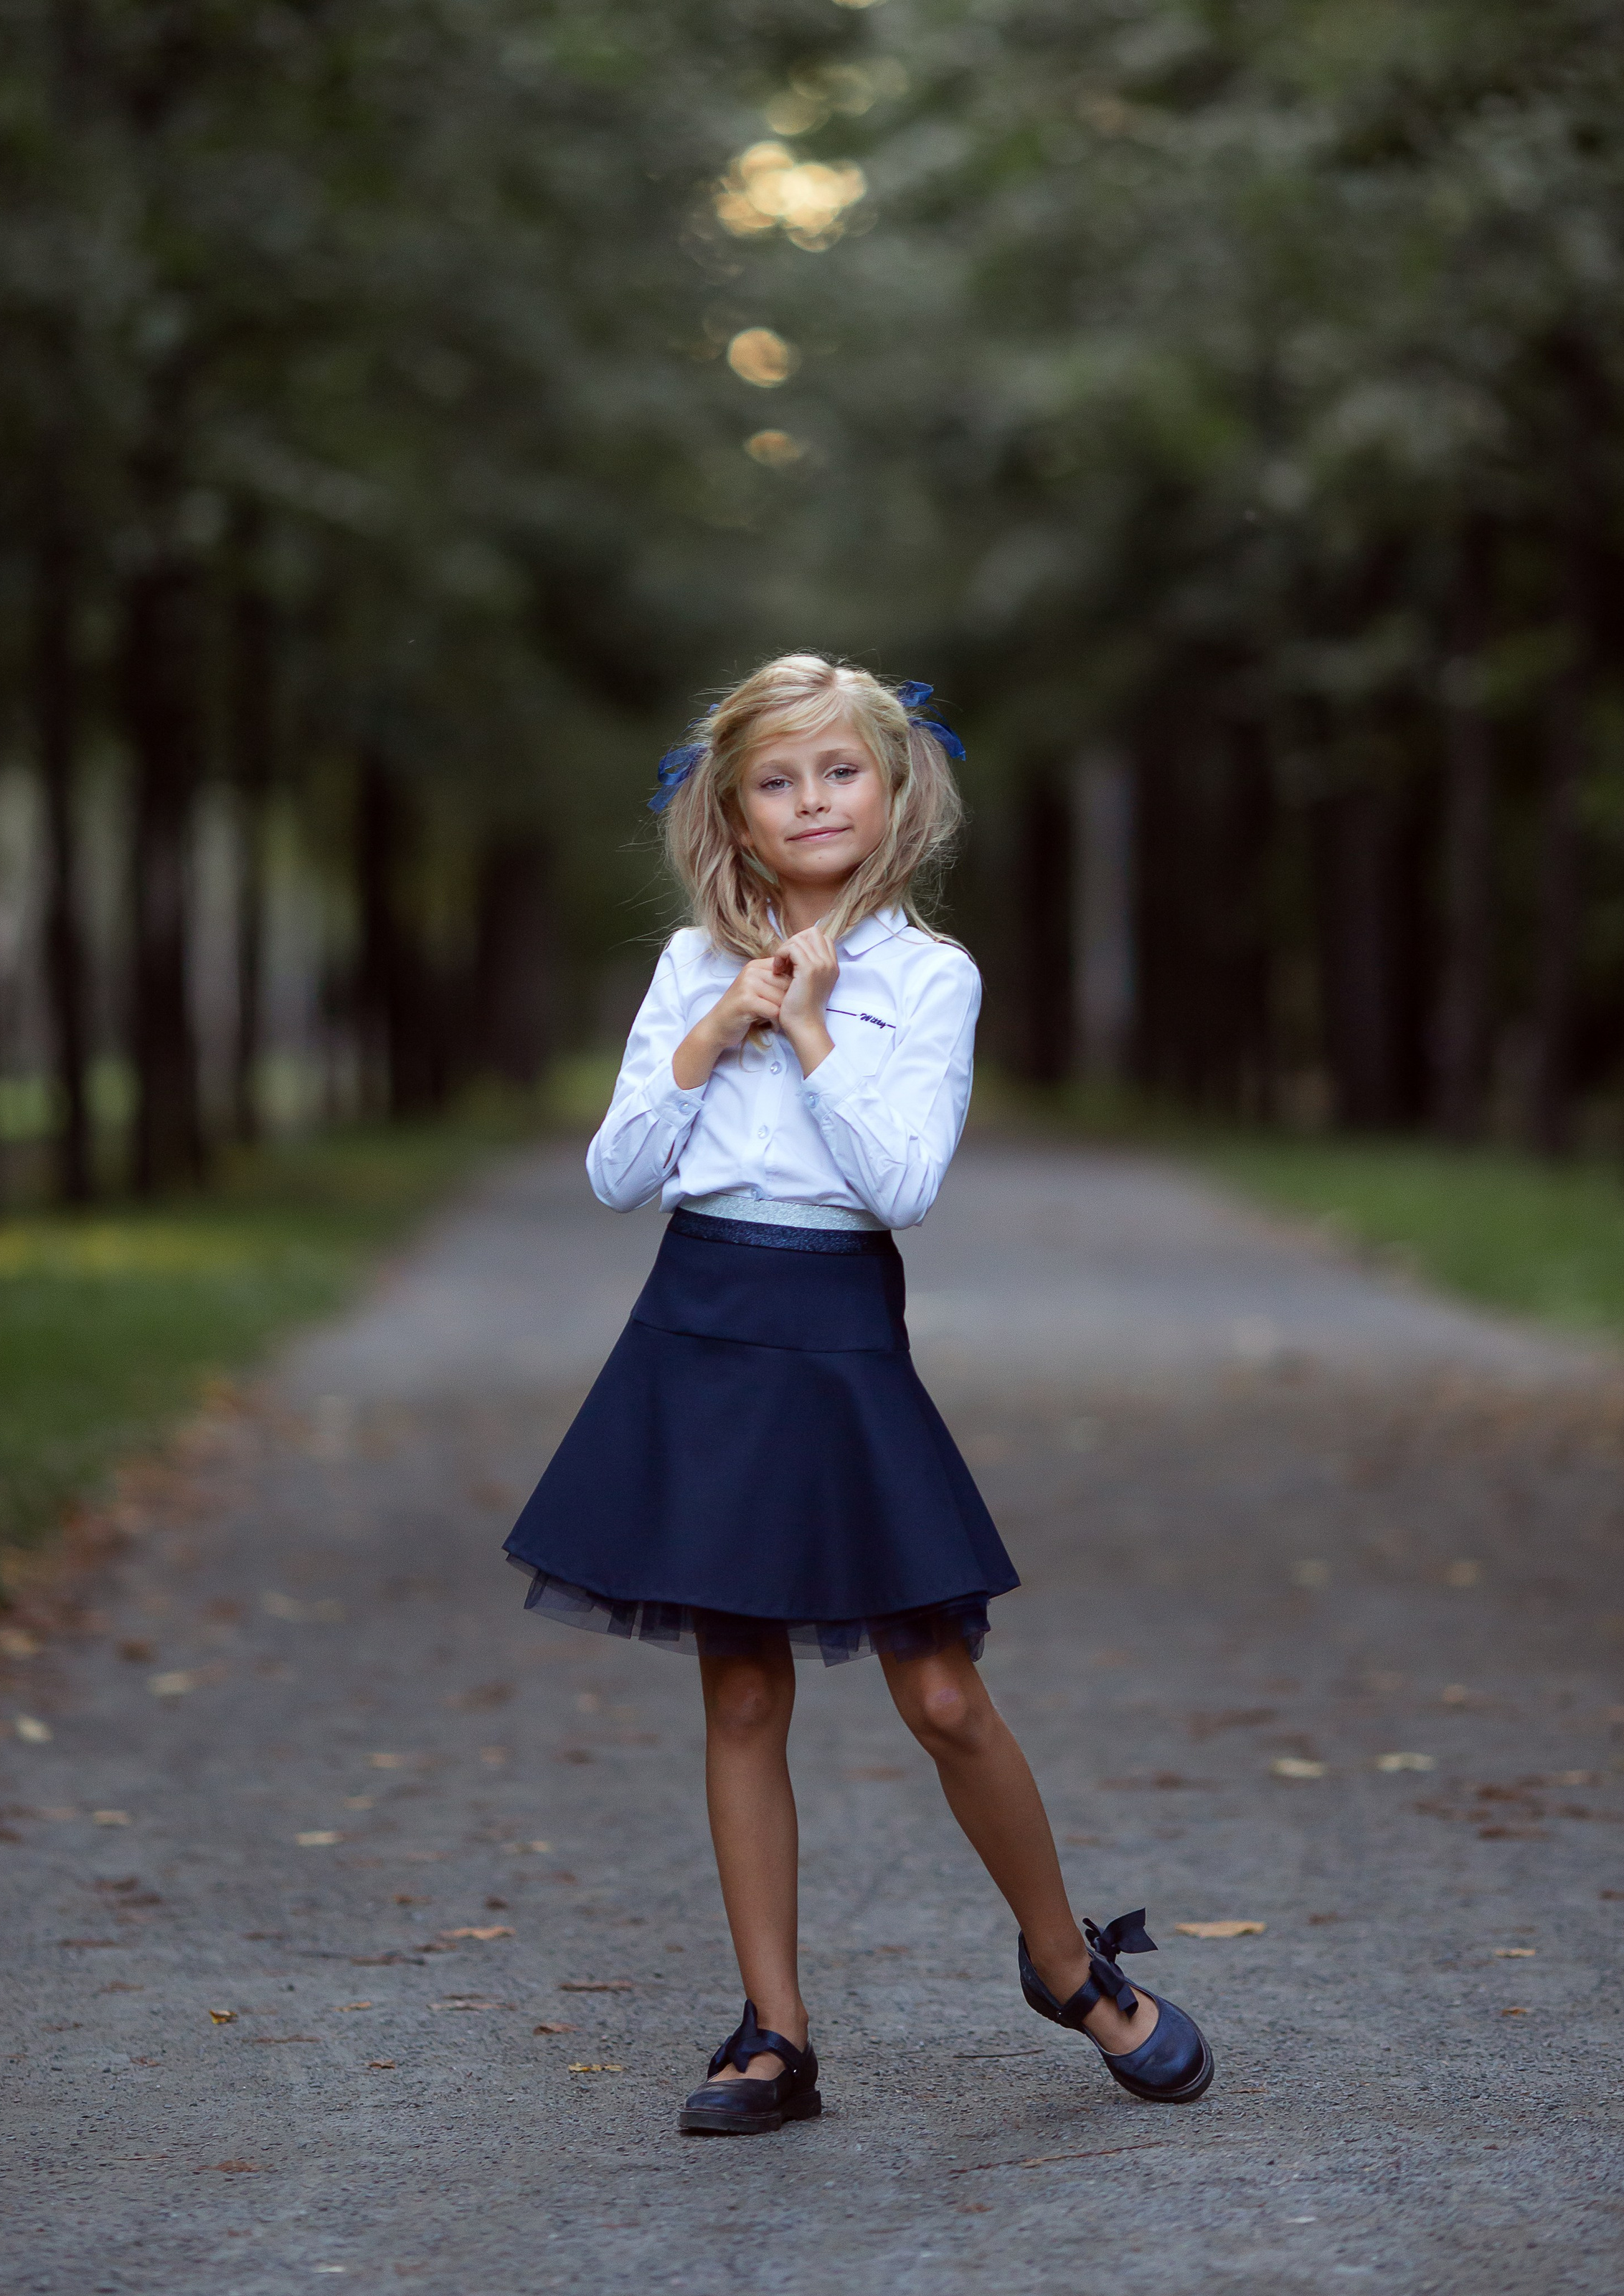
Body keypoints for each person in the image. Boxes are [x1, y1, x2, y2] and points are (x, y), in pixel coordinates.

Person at [505, 653, 1213, 2134]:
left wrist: (814, 1020)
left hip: (837, 1336)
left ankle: (1063, 1959)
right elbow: (616, 1170)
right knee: (743, 1683)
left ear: (891, 793)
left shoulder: (925, 975)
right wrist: (714, 1028)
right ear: (734, 813)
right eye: (776, 778)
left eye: (838, 771)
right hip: (697, 1325)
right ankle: (773, 2030)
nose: (809, 798)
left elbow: (902, 1182)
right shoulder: (686, 965)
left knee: (942, 1688)